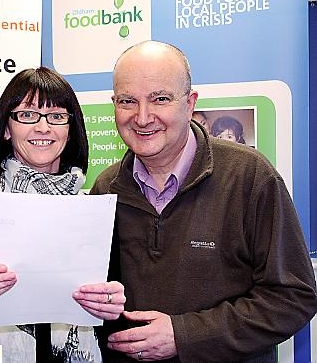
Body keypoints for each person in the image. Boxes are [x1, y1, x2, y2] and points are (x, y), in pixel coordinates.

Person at [91, 40, 317, 362]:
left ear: (189, 103)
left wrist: (184, 336)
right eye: (128, 101)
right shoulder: (106, 188)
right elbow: (101, 304)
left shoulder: (249, 176)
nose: (142, 117)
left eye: (160, 99)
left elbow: (293, 297)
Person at [0, 67, 126, 362]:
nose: (43, 127)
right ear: (6, 128)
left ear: (70, 130)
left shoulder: (92, 213)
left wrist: (111, 310)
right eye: (27, 114)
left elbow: (109, 333)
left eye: (57, 116)